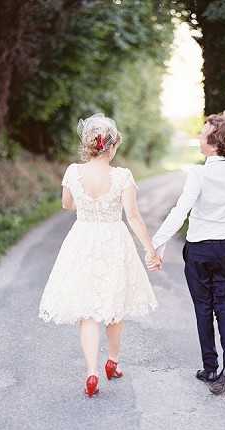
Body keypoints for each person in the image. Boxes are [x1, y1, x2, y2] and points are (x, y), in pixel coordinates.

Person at [38, 113, 162, 397]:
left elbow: (66, 204)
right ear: (112, 145)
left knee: (88, 309)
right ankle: (112, 363)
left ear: (89, 145)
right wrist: (150, 250)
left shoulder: (73, 171)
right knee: (114, 304)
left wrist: (84, 202)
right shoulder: (122, 176)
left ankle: (91, 372)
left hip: (82, 239)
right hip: (114, 241)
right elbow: (133, 216)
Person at [152, 111, 225, 395]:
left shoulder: (198, 173)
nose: (198, 136)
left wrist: (157, 243)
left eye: (202, 132)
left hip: (199, 249)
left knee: (203, 308)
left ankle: (210, 368)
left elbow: (180, 211)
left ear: (212, 141)